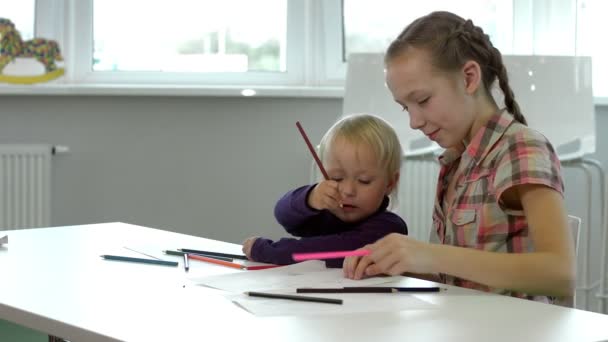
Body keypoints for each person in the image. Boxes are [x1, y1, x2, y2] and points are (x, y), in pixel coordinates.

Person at [343, 11, 575, 302]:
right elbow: (460, 276)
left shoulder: (521, 149)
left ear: (469, 78)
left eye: (423, 100)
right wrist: (395, 264)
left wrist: (431, 255)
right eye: (406, 107)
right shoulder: (457, 161)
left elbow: (559, 275)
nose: (414, 121)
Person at [242, 114, 408, 268]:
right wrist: (310, 199)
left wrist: (268, 251)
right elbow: (282, 214)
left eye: (364, 181)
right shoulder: (323, 215)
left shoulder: (390, 229)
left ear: (390, 183)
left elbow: (326, 252)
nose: (348, 191)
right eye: (336, 178)